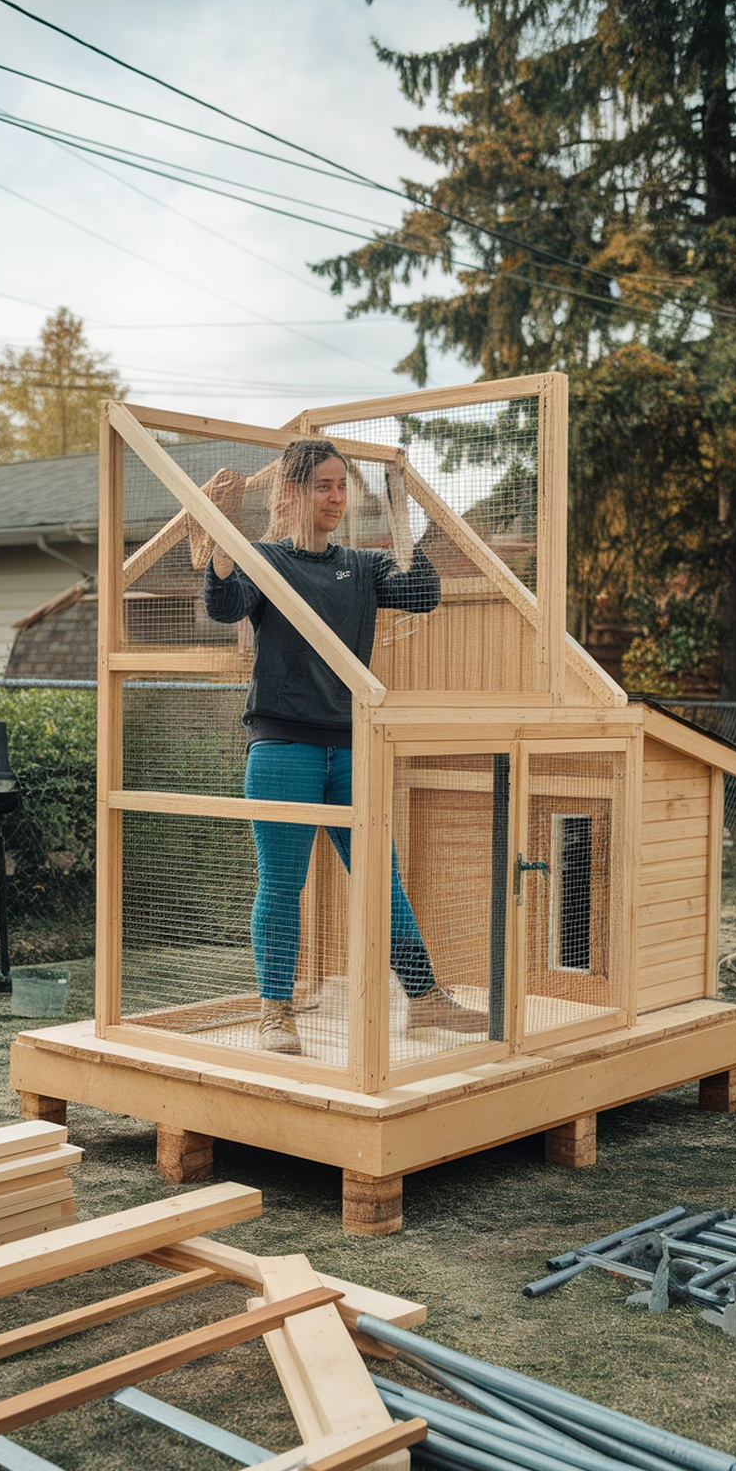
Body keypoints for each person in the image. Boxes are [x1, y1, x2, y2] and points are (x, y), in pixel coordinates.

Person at [202, 438, 488, 1055]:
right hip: (283, 749)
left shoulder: (363, 568)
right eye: (323, 486)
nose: (335, 498)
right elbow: (224, 605)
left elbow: (422, 593)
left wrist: (399, 507)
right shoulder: (265, 560)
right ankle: (275, 1013)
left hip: (352, 748)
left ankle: (426, 999)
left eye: (341, 486)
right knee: (281, 885)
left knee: (380, 880)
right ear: (294, 492)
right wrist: (222, 532)